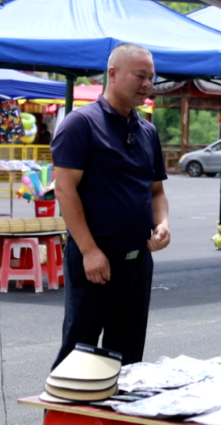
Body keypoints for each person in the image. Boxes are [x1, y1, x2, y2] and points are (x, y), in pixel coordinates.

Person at [51, 43, 171, 369]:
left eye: (152, 77)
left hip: (138, 264)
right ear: (113, 74)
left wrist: (162, 224)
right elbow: (65, 190)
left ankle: (114, 421)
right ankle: (60, 419)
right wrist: (90, 250)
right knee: (78, 358)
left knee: (128, 361)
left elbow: (156, 191)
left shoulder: (146, 131)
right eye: (140, 76)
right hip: (95, 262)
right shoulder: (81, 124)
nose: (148, 84)